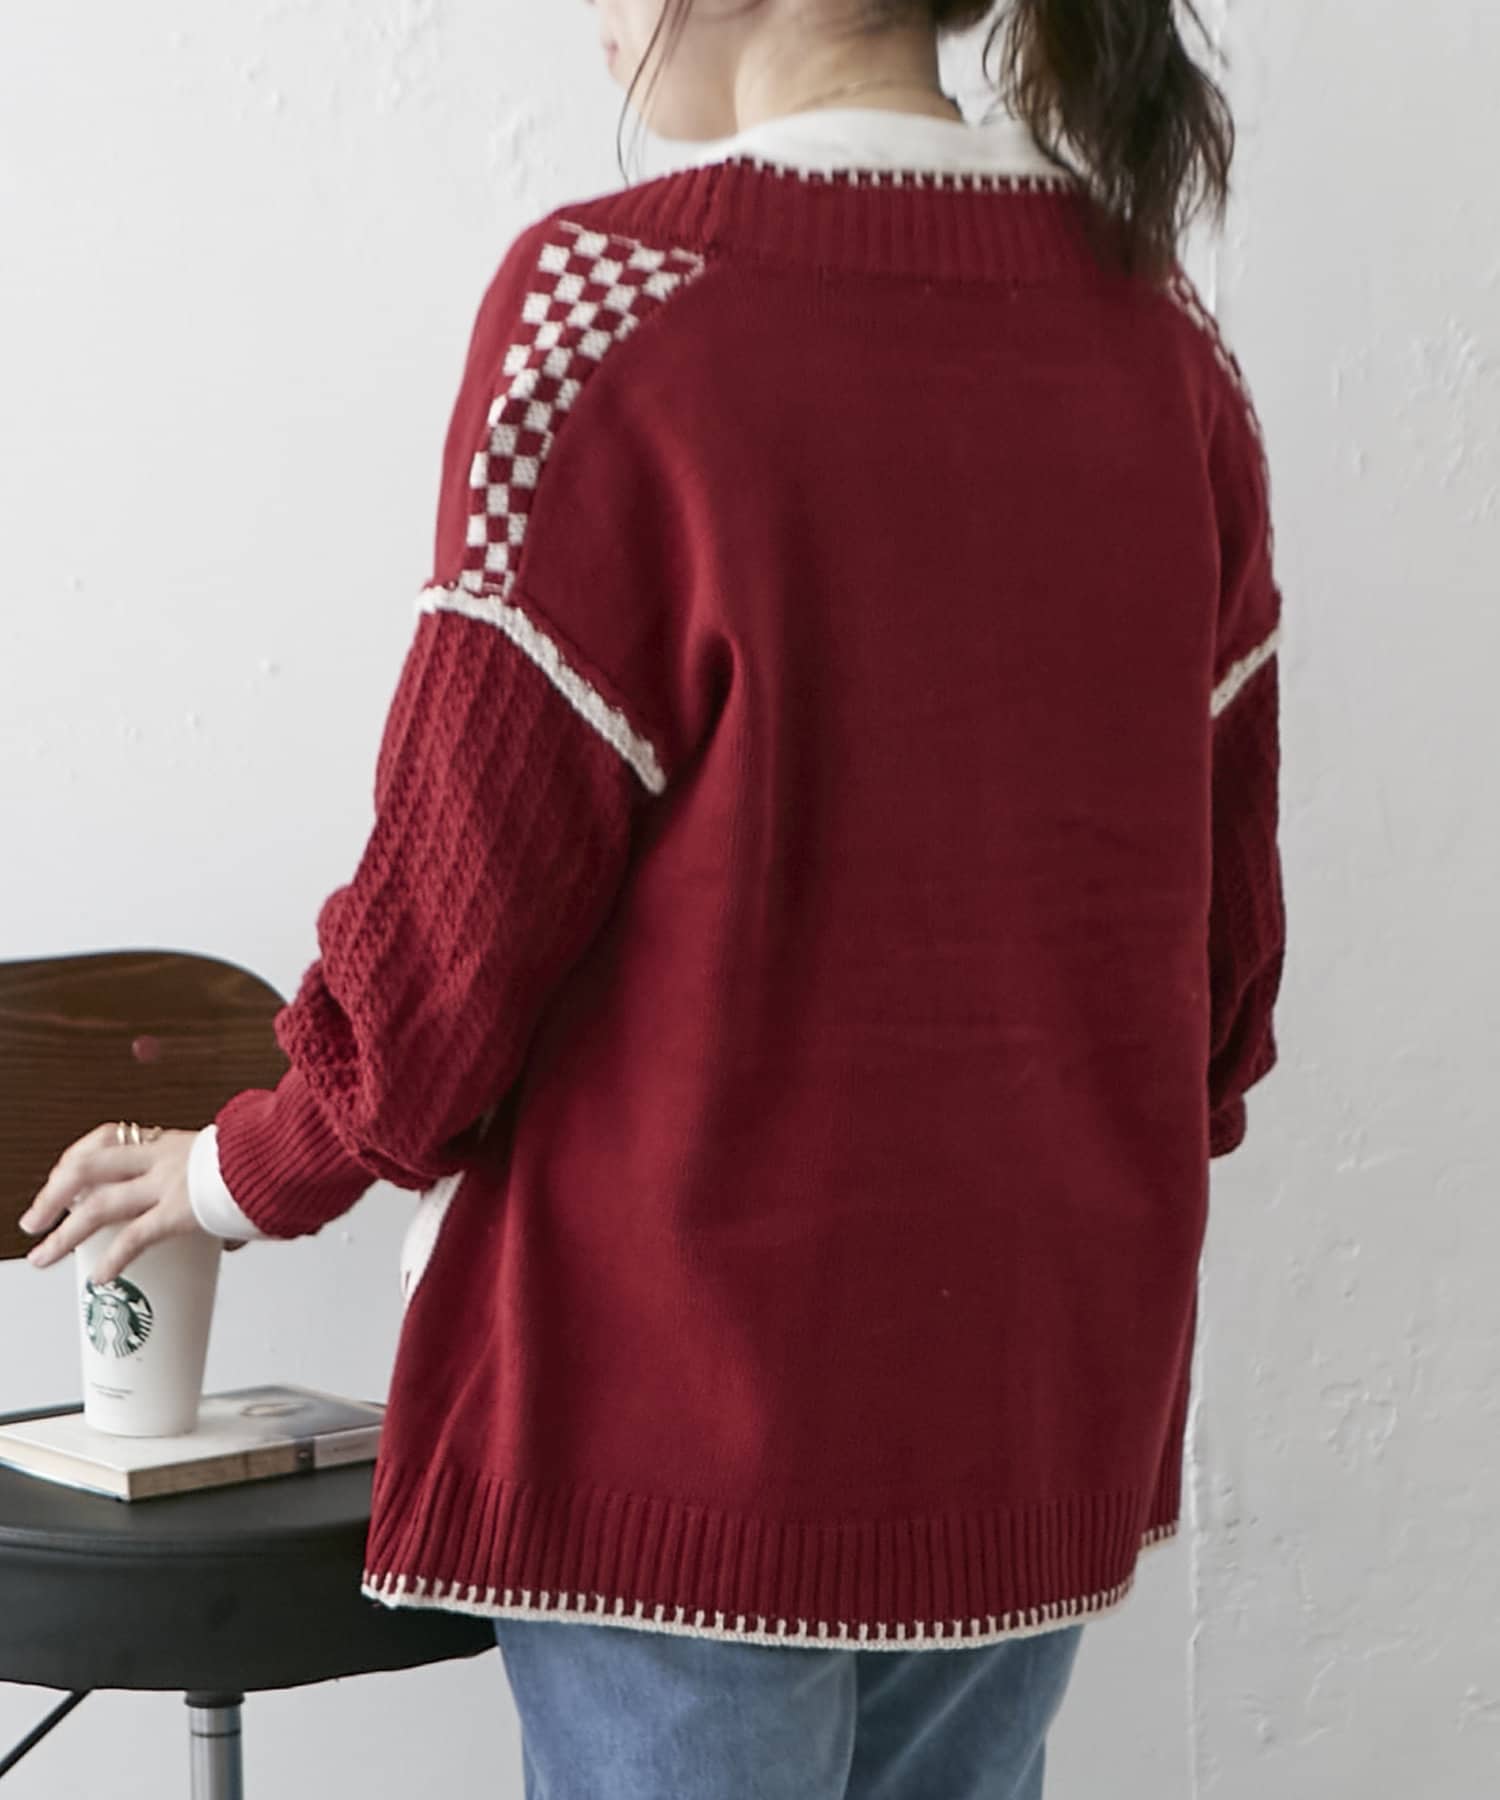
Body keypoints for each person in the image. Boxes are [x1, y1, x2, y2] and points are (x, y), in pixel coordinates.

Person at [19, 0, 1286, 1793]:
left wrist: (244, 1169)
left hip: (687, 1413)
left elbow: (460, 919)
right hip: (1037, 1398)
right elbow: (1218, 973)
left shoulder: (619, 308)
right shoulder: (1165, 347)